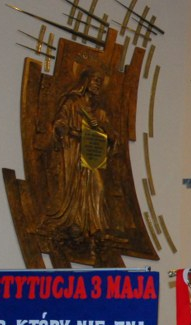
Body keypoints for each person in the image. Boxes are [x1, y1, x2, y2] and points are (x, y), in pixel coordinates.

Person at [46, 68, 115, 243]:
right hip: (74, 151)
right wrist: (71, 132)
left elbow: (111, 137)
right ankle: (75, 223)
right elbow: (60, 123)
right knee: (76, 185)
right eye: (95, 80)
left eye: (100, 82)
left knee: (99, 187)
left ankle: (95, 226)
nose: (97, 84)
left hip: (92, 155)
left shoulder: (99, 112)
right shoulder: (73, 103)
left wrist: (103, 131)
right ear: (85, 81)